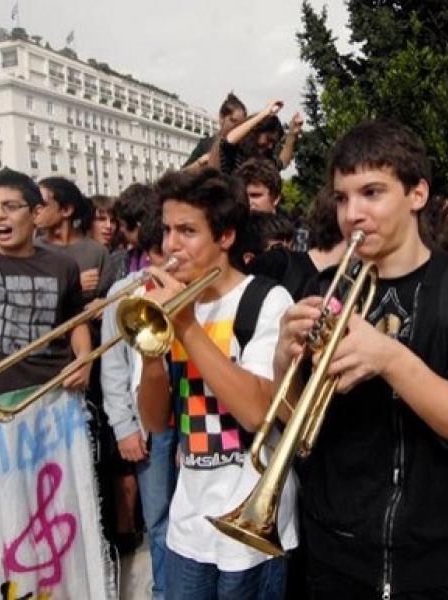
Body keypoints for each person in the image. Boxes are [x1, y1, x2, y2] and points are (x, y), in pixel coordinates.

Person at [274, 120, 448, 598]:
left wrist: (389, 358)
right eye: (342, 198)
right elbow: (297, 429)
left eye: (371, 192)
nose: (353, 214)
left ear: (417, 194)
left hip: (439, 564)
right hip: (334, 557)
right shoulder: (325, 290)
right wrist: (286, 364)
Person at [137, 168, 296, 600]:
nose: (171, 245)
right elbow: (154, 422)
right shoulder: (164, 307)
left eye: (187, 231)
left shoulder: (266, 300)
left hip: (251, 528)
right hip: (188, 522)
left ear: (225, 237)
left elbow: (255, 412)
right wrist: (152, 354)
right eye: (168, 230)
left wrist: (185, 326)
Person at [101, 205, 176, 600]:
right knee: (160, 520)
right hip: (151, 426)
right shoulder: (124, 292)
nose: (171, 259)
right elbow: (113, 367)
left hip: (193, 421)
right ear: (149, 251)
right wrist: (124, 427)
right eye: (161, 251)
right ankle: (164, 592)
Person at [0, 167, 90, 401]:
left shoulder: (63, 265)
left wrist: (85, 357)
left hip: (52, 400)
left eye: (11, 206)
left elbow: (75, 321)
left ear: (36, 213)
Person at [36, 177, 114, 304]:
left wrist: (104, 305)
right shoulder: (30, 249)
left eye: (42, 204)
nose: (35, 210)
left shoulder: (97, 253)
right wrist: (73, 287)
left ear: (66, 210)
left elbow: (108, 301)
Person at [183, 92, 248, 170]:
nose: (236, 127)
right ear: (221, 118)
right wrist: (200, 163)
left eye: (241, 124)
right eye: (233, 121)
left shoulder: (244, 148)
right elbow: (182, 173)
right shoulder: (206, 144)